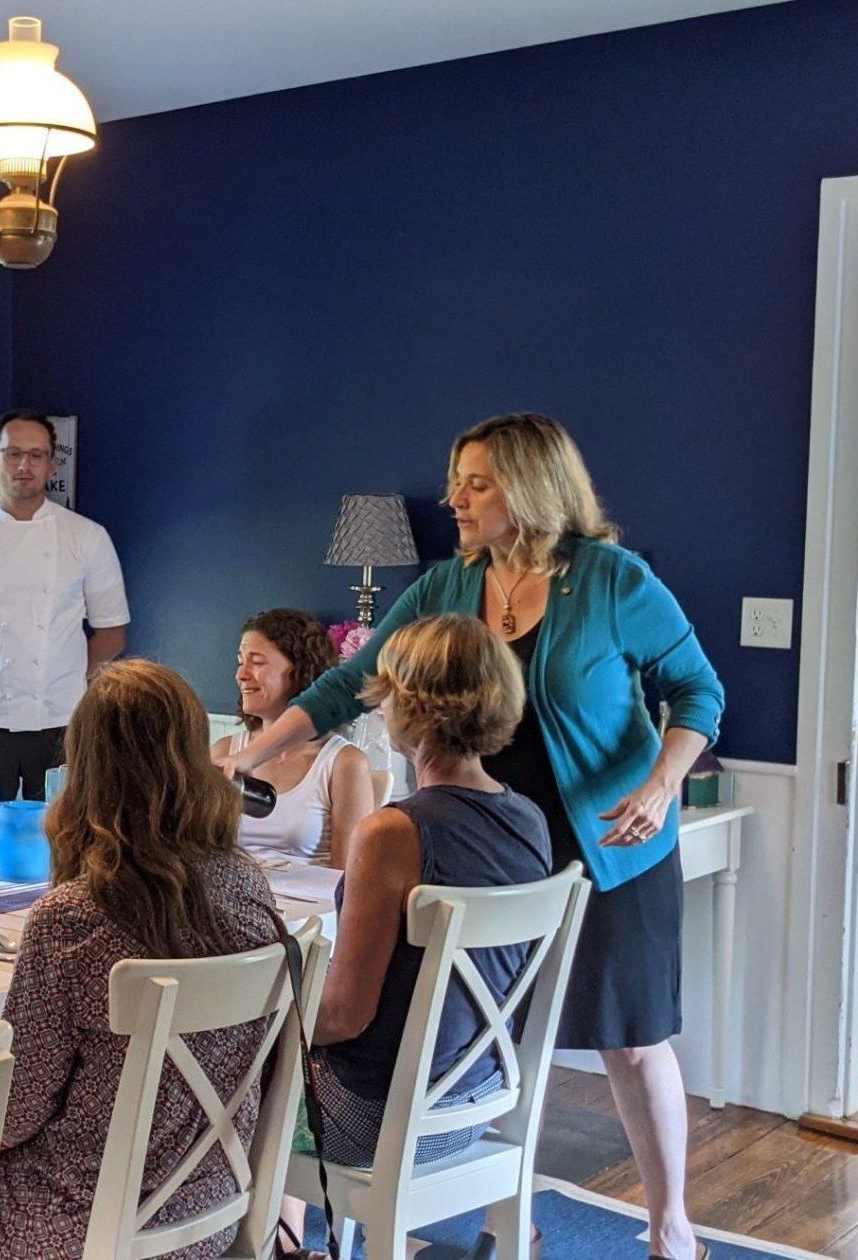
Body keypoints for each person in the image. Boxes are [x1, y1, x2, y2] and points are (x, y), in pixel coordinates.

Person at [226, 413, 722, 1260]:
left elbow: (697, 693)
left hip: (612, 839)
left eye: (477, 482)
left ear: (530, 488)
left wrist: (661, 782)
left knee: (632, 1042)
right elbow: (354, 682)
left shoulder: (612, 581)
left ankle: (670, 1226)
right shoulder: (447, 587)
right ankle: (509, 1206)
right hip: (488, 837)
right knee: (482, 1040)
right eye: (457, 477)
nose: (454, 496)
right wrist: (246, 753)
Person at [276, 614, 552, 1259]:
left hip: (376, 1121)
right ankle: (288, 1241)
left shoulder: (391, 833)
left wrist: (253, 1022)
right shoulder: (528, 819)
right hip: (476, 1100)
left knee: (203, 1076)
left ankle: (263, 1242)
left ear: (412, 707)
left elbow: (343, 1017)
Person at [0, 660, 277, 1260]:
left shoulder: (69, 919)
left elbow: (10, 1116)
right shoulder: (250, 891)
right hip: (211, 1209)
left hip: (76, 1221)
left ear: (85, 765)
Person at [0, 409, 130, 801]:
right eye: (13, 453)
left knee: (67, 831)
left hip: (62, 717)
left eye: (36, 455)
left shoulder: (87, 537)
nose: (24, 465)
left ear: (52, 464)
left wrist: (66, 680)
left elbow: (112, 632)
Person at [211, 609, 374, 868]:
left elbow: (349, 875)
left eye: (258, 662)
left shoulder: (344, 763)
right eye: (240, 661)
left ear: (301, 671)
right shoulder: (224, 751)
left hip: (311, 907)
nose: (241, 674)